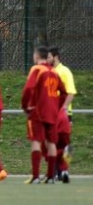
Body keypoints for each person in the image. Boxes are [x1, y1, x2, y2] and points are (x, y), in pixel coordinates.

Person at [21, 46, 68, 184]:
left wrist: (25, 106)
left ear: (36, 56)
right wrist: (56, 106)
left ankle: (35, 176)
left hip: (37, 111)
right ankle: (50, 176)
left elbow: (28, 89)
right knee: (51, 142)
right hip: (52, 113)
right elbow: (64, 93)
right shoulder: (54, 71)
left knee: (36, 141)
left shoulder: (36, 69)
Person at [49, 47, 76, 184]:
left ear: (55, 57)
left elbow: (71, 92)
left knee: (66, 144)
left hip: (64, 114)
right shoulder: (49, 72)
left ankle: (64, 170)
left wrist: (64, 107)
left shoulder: (65, 71)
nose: (47, 59)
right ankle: (56, 172)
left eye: (49, 56)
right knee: (52, 142)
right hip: (52, 113)